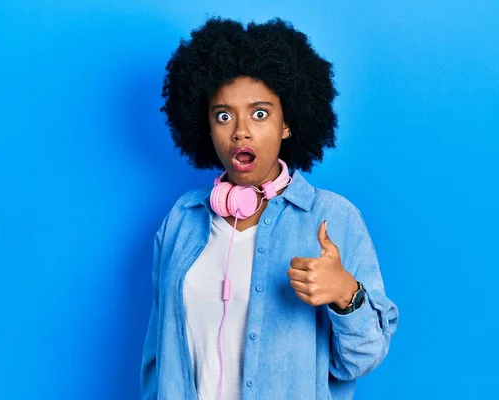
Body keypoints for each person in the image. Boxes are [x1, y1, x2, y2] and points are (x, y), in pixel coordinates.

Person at [140, 17, 399, 400]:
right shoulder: (182, 219)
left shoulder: (332, 217)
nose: (240, 131)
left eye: (259, 113)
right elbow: (156, 360)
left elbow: (361, 359)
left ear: (287, 124)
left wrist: (347, 293)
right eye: (223, 115)